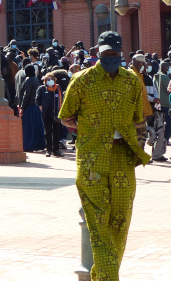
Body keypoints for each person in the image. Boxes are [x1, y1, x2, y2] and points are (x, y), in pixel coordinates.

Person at [59, 31, 150, 281]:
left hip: (123, 156)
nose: (110, 57)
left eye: (114, 53)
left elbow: (139, 120)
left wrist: (139, 146)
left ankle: (102, 275)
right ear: (97, 52)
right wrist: (90, 128)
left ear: (121, 53)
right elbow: (66, 115)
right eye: (105, 53)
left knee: (121, 222)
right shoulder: (81, 80)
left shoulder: (131, 80)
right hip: (92, 158)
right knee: (99, 224)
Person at [18, 65, 44, 153]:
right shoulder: (36, 80)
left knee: (28, 128)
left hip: (29, 107)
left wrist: (22, 106)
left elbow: (26, 94)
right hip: (36, 106)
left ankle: (28, 145)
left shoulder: (28, 80)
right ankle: (39, 144)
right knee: (37, 126)